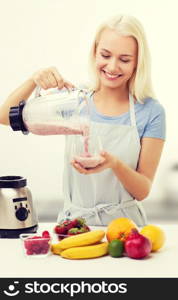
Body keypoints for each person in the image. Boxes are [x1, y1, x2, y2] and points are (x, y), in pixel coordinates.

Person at [0, 15, 166, 226]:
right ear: (95, 53)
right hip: (75, 227)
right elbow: (5, 116)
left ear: (137, 63)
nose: (112, 67)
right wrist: (34, 80)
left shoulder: (151, 112)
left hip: (126, 230)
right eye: (105, 55)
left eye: (124, 59)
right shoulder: (75, 101)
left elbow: (142, 190)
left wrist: (113, 164)